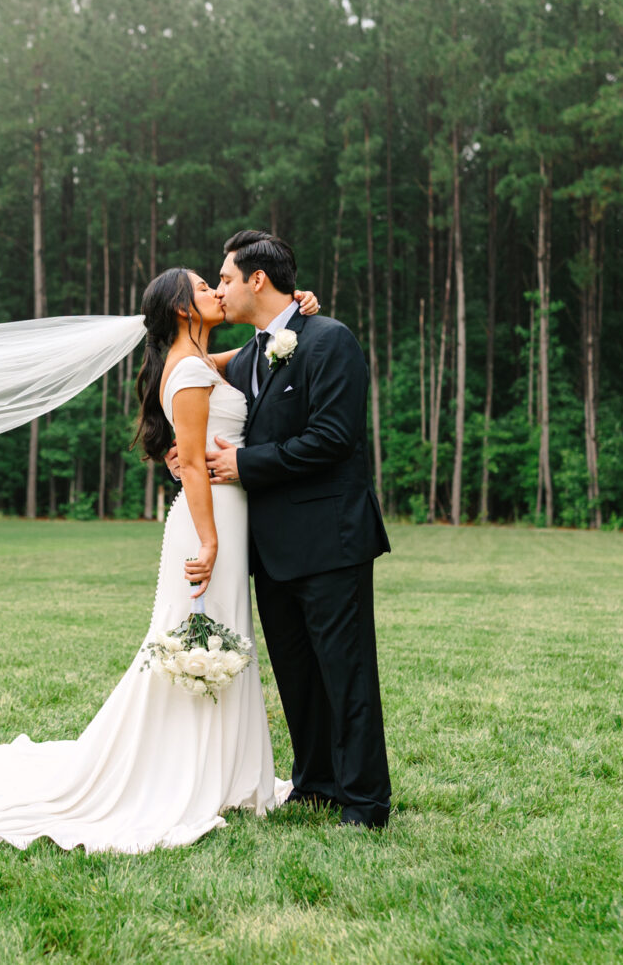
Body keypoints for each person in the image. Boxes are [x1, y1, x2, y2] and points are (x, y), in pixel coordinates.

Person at [0, 272, 323, 855]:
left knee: (218, 636)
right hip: (208, 524)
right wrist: (208, 542)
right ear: (184, 309)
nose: (216, 289)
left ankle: (225, 773)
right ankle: (190, 776)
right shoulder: (186, 371)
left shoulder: (200, 362)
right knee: (196, 639)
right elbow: (188, 465)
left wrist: (297, 312)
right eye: (205, 285)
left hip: (226, 518)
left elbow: (260, 349)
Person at [168, 230, 392, 828]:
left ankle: (365, 802)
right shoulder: (249, 356)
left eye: (227, 278)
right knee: (297, 674)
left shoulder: (330, 340)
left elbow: (333, 438)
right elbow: (192, 375)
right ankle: (316, 782)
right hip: (271, 551)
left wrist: (244, 464)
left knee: (346, 674)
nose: (221, 287)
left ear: (257, 280)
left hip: (330, 540)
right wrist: (181, 443)